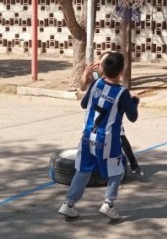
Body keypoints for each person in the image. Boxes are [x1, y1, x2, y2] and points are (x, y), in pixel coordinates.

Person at [58, 52, 140, 220]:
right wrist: (134, 102)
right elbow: (132, 117)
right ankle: (108, 204)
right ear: (121, 72)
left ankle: (68, 203)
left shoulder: (96, 83)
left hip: (88, 137)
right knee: (117, 171)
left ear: (103, 69)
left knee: (82, 171)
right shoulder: (122, 93)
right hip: (108, 140)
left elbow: (83, 104)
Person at [81, 53, 142, 176]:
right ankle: (112, 183)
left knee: (121, 137)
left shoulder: (116, 88)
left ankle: (133, 163)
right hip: (99, 125)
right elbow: (82, 89)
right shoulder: (96, 79)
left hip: (109, 119)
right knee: (113, 169)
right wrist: (84, 75)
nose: (100, 65)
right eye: (100, 62)